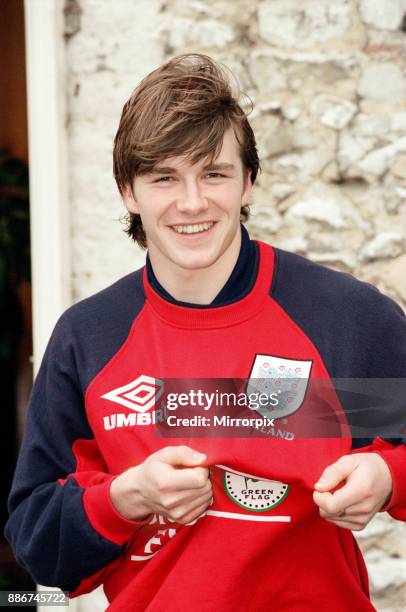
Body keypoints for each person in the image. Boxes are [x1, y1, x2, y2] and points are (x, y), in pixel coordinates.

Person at [5, 53, 406, 611]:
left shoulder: (342, 320)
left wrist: (388, 476)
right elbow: (40, 549)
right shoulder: (90, 340)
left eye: (213, 173)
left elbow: (401, 443)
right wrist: (126, 497)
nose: (192, 203)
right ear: (128, 191)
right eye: (164, 177)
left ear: (248, 182)